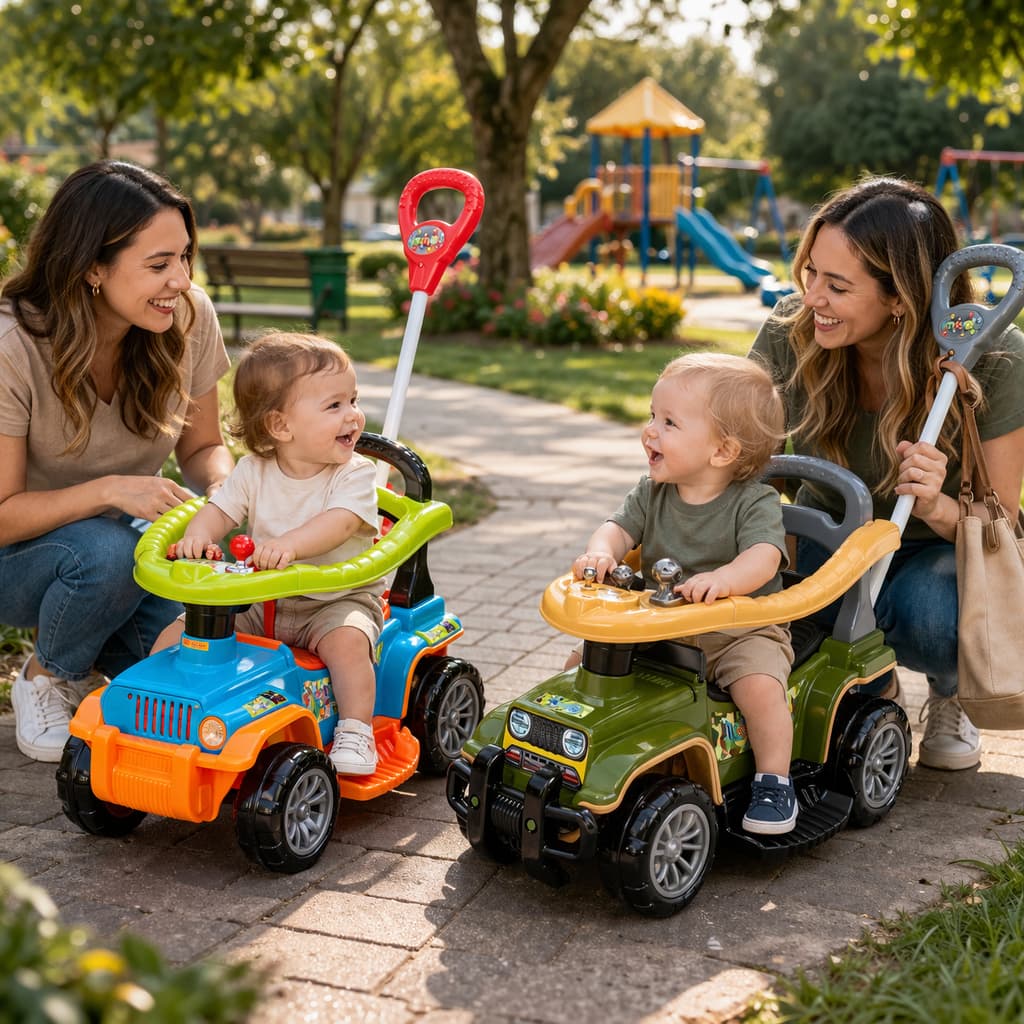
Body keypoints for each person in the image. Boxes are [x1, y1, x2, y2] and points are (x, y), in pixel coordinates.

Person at [750, 176, 1024, 771]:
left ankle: (950, 692)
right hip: (827, 547)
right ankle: (866, 682)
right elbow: (749, 469)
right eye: (810, 274)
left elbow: (1001, 526)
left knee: (935, 613)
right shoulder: (788, 332)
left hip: (929, 561)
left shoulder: (997, 358)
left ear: (899, 297)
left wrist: (935, 505)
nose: (812, 297)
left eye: (838, 285)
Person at [0, 160, 234, 763]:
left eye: (184, 257)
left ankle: (102, 664)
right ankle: (48, 675)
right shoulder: (12, 347)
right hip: (19, 557)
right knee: (109, 549)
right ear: (92, 268)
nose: (179, 280)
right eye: (158, 265)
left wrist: (229, 499)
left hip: (122, 549)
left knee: (195, 646)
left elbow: (203, 449)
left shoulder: (186, 316)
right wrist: (109, 490)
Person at [570, 353, 797, 835]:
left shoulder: (754, 501)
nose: (650, 430)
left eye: (669, 422)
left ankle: (774, 780)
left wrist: (726, 580)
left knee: (761, 688)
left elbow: (765, 557)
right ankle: (580, 748)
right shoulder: (652, 492)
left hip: (737, 628)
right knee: (584, 664)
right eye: (652, 416)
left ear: (722, 451)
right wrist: (600, 554)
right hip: (662, 623)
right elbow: (616, 529)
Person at [153, 332, 384, 776]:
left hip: (334, 600)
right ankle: (156, 696)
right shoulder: (252, 471)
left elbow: (339, 522)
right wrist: (198, 539)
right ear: (280, 426)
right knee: (188, 629)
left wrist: (291, 544)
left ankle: (357, 731)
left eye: (352, 400)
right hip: (264, 599)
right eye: (334, 406)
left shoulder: (355, 474)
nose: (353, 415)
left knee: (350, 643)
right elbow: (217, 510)